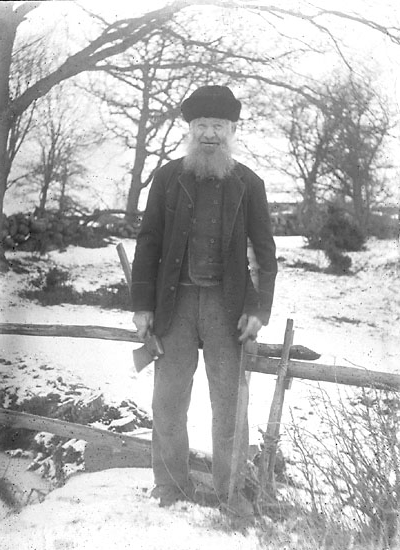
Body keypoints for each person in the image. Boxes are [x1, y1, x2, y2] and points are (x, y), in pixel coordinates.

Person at [131, 85, 277, 514]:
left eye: (218, 126)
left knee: (229, 404)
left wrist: (258, 309)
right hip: (173, 305)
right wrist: (142, 306)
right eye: (201, 126)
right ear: (190, 130)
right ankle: (170, 486)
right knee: (168, 400)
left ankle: (232, 493)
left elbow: (264, 253)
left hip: (226, 308)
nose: (209, 134)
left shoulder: (249, 184)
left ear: (232, 130)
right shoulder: (167, 178)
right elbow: (148, 242)